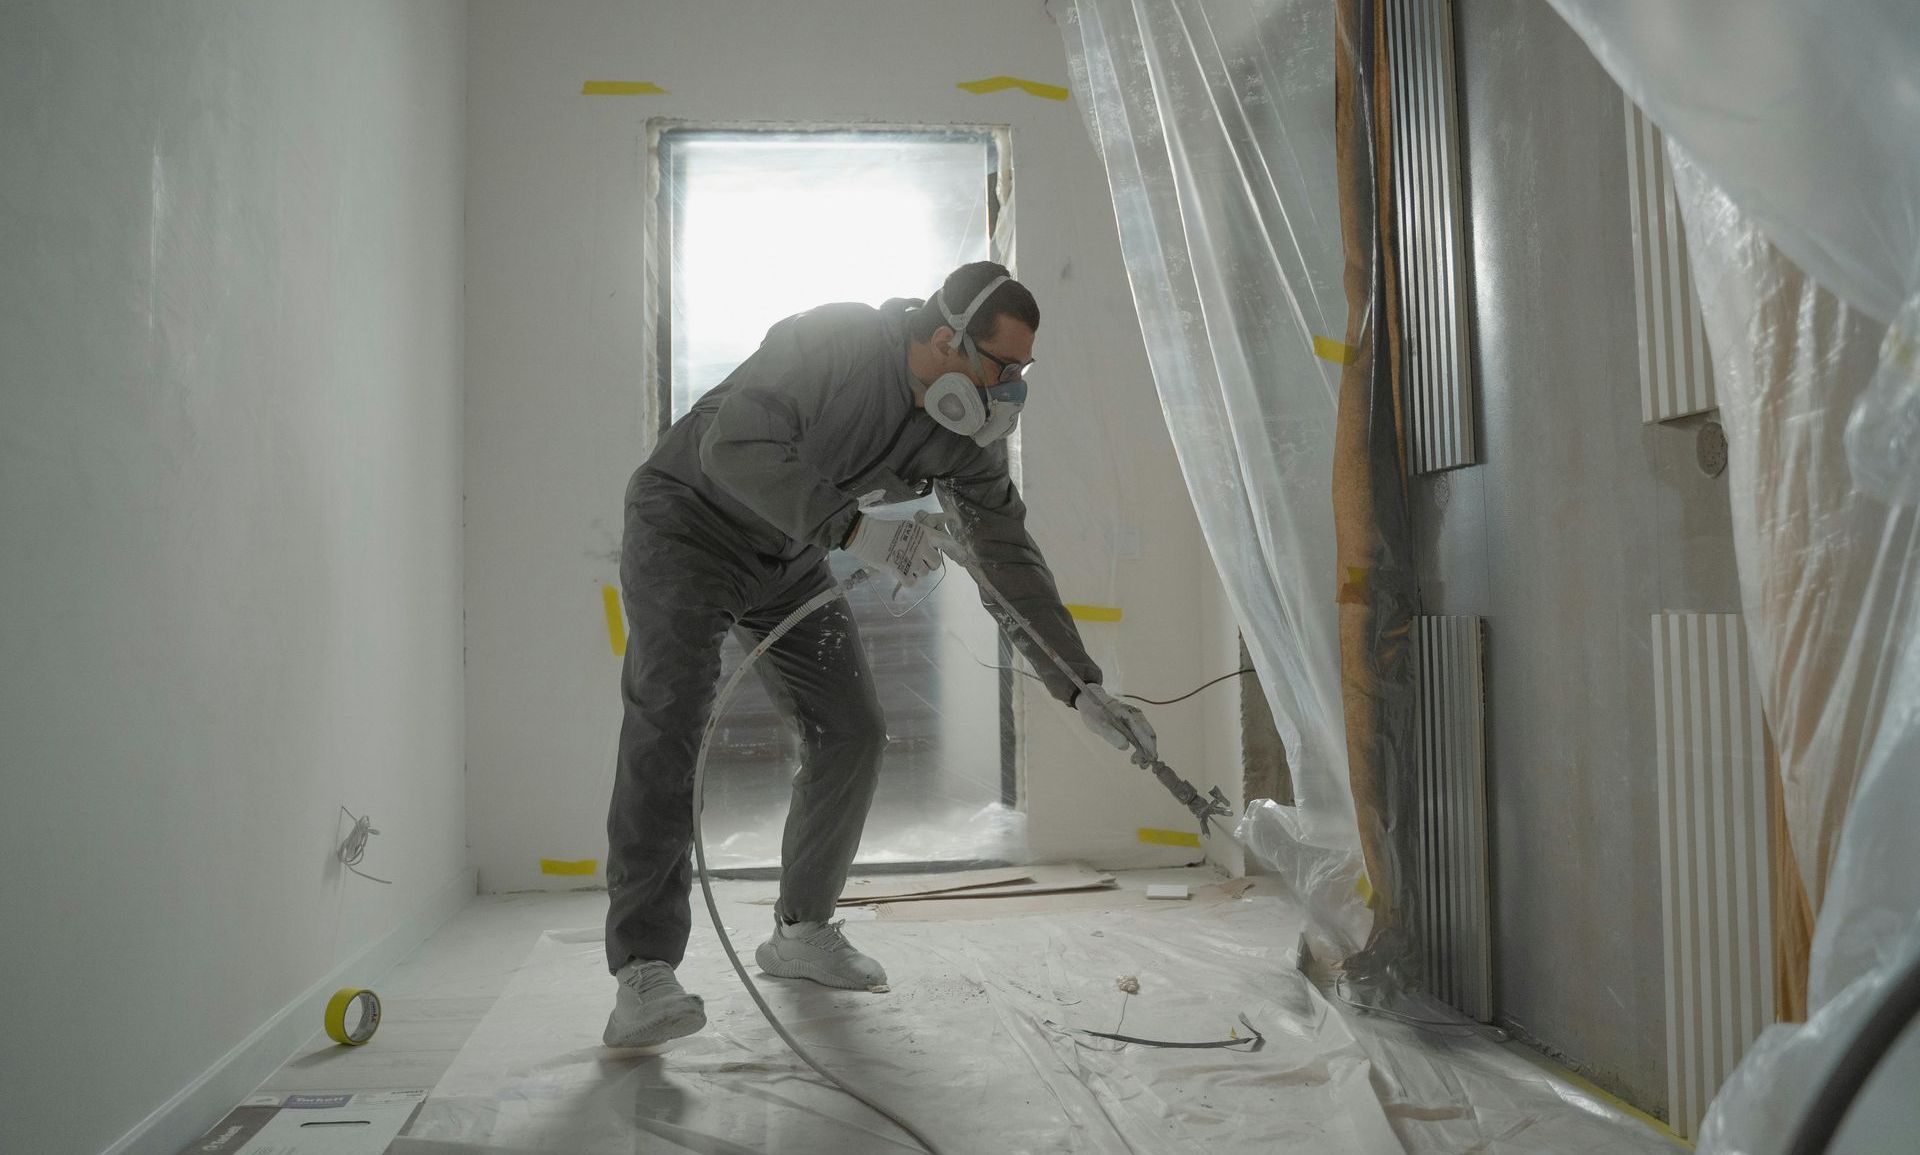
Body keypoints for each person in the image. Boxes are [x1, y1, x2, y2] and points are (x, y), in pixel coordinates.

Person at [603, 261, 1159, 1048]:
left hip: (788, 548)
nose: (1010, 391)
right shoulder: (833, 340)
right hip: (687, 525)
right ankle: (642, 970)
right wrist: (856, 529)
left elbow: (1007, 553)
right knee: (670, 723)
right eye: (1002, 369)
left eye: (1022, 373)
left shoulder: (956, 433)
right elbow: (736, 444)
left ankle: (800, 932)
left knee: (853, 729)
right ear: (945, 340)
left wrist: (1081, 687)